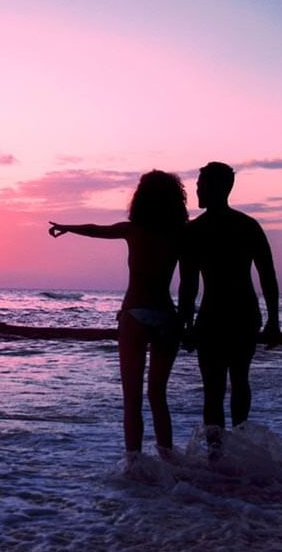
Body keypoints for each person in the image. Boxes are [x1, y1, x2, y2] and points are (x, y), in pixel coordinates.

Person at [49, 170, 188, 461]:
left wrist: (66, 227)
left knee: (132, 399)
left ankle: (135, 465)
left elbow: (96, 229)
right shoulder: (180, 235)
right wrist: (187, 322)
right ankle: (169, 460)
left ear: (141, 199)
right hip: (167, 316)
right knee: (158, 397)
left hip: (135, 314)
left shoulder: (133, 230)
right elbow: (190, 281)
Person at [178, 161, 280, 460]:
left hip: (215, 315)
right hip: (243, 312)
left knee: (215, 388)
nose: (196, 191)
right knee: (238, 381)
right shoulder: (247, 225)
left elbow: (188, 286)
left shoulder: (196, 231)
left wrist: (186, 323)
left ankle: (218, 454)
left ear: (215, 188)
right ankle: (236, 448)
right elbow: (268, 276)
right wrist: (273, 319)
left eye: (200, 186)